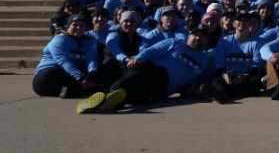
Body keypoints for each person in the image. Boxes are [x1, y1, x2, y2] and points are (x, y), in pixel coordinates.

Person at [76, 26, 217, 114]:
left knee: (138, 98)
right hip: (154, 69)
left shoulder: (205, 60)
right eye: (195, 35)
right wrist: (137, 59)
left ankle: (104, 102)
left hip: (165, 88)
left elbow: (201, 80)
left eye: (202, 37)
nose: (198, 38)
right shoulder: (174, 42)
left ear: (206, 41)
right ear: (189, 35)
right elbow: (152, 51)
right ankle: (108, 97)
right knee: (133, 80)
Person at [33, 13, 100, 98]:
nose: (78, 28)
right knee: (53, 73)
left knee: (95, 81)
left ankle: (72, 91)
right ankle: (74, 90)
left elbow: (91, 58)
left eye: (82, 25)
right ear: (68, 26)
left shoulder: (89, 41)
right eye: (74, 25)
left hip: (69, 75)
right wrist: (81, 78)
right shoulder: (59, 39)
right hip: (46, 77)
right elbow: (64, 61)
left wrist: (92, 72)